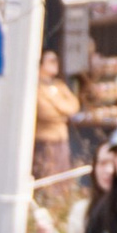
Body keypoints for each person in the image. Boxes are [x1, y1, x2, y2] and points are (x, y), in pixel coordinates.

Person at [31, 49, 79, 181]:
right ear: (41, 64)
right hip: (45, 139)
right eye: (51, 61)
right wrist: (63, 113)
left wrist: (56, 104)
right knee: (47, 175)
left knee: (62, 176)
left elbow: (74, 105)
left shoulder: (59, 84)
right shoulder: (35, 86)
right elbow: (45, 113)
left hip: (62, 138)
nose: (55, 63)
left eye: (56, 60)